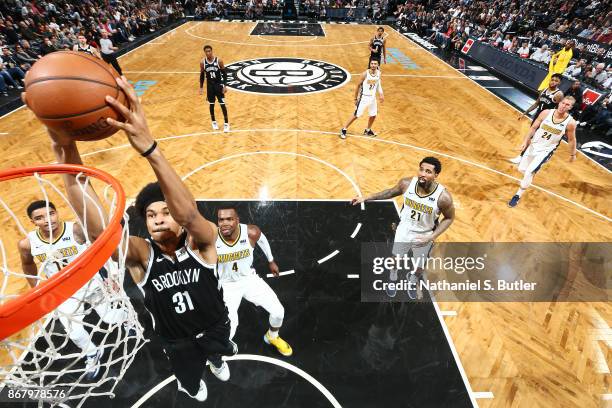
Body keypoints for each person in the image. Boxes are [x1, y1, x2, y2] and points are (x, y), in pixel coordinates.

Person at [38, 77, 236, 402]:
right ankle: (194, 381)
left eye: (165, 211)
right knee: (188, 379)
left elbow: (188, 215)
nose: (158, 217)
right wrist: (67, 152)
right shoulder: (142, 256)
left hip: (216, 325)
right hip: (177, 341)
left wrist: (150, 148)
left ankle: (215, 358)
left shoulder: (203, 242)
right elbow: (101, 233)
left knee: (217, 352)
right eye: (151, 214)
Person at [18, 201, 129, 381]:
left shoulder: (75, 230)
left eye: (51, 214)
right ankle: (93, 353)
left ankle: (127, 321)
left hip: (91, 284)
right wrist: (36, 289)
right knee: (74, 332)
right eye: (39, 218)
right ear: (32, 222)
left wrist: (110, 276)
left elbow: (100, 249)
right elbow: (27, 264)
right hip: (62, 292)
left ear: (56, 213)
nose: (47, 220)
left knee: (109, 317)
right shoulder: (27, 244)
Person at [351, 157, 455, 299]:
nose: (422, 174)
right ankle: (392, 278)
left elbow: (449, 218)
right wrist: (367, 197)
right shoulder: (406, 183)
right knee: (396, 259)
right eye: (421, 169)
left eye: (428, 171)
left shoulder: (443, 197)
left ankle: (412, 280)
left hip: (425, 234)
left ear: (436, 175)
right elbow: (389, 192)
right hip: (404, 230)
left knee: (420, 267)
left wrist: (432, 236)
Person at [216, 206, 293, 356]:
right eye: (221, 219)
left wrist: (271, 260)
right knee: (229, 329)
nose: (224, 223)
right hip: (227, 285)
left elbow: (262, 240)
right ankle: (217, 359)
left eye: (229, 219)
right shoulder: (212, 237)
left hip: (249, 279)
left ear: (237, 220)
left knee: (278, 312)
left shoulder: (251, 232)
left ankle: (272, 336)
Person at [508, 96, 577, 207]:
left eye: (567, 105)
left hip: (546, 151)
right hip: (533, 146)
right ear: (559, 103)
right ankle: (531, 173)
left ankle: (517, 195)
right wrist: (525, 141)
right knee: (522, 169)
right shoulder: (546, 113)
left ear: (570, 107)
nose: (564, 106)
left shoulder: (570, 122)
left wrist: (573, 154)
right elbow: (533, 127)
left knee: (529, 172)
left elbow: (572, 139)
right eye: (563, 103)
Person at [511, 73, 564, 163]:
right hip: (537, 118)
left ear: (559, 83)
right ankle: (523, 157)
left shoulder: (558, 95)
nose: (553, 82)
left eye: (556, 81)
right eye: (552, 80)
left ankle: (524, 157)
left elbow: (561, 110)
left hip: (547, 120)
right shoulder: (543, 90)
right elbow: (536, 104)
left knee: (536, 140)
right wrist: (525, 113)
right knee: (531, 137)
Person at [340, 59, 384, 139]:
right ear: (370, 64)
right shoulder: (365, 74)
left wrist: (381, 94)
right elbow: (357, 86)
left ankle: (367, 130)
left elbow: (378, 84)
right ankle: (344, 129)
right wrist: (355, 98)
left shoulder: (379, 73)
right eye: (372, 63)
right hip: (364, 97)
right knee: (356, 115)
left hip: (372, 98)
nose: (373, 65)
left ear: (378, 65)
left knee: (373, 115)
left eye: (375, 64)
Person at [199, 45, 229, 132]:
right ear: (205, 52)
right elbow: (202, 75)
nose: (208, 53)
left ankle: (226, 123)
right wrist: (201, 87)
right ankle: (213, 122)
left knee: (222, 104)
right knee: (211, 105)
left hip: (218, 85)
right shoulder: (202, 62)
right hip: (210, 87)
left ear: (212, 51)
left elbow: (224, 74)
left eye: (209, 51)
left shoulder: (219, 61)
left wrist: (225, 85)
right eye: (206, 51)